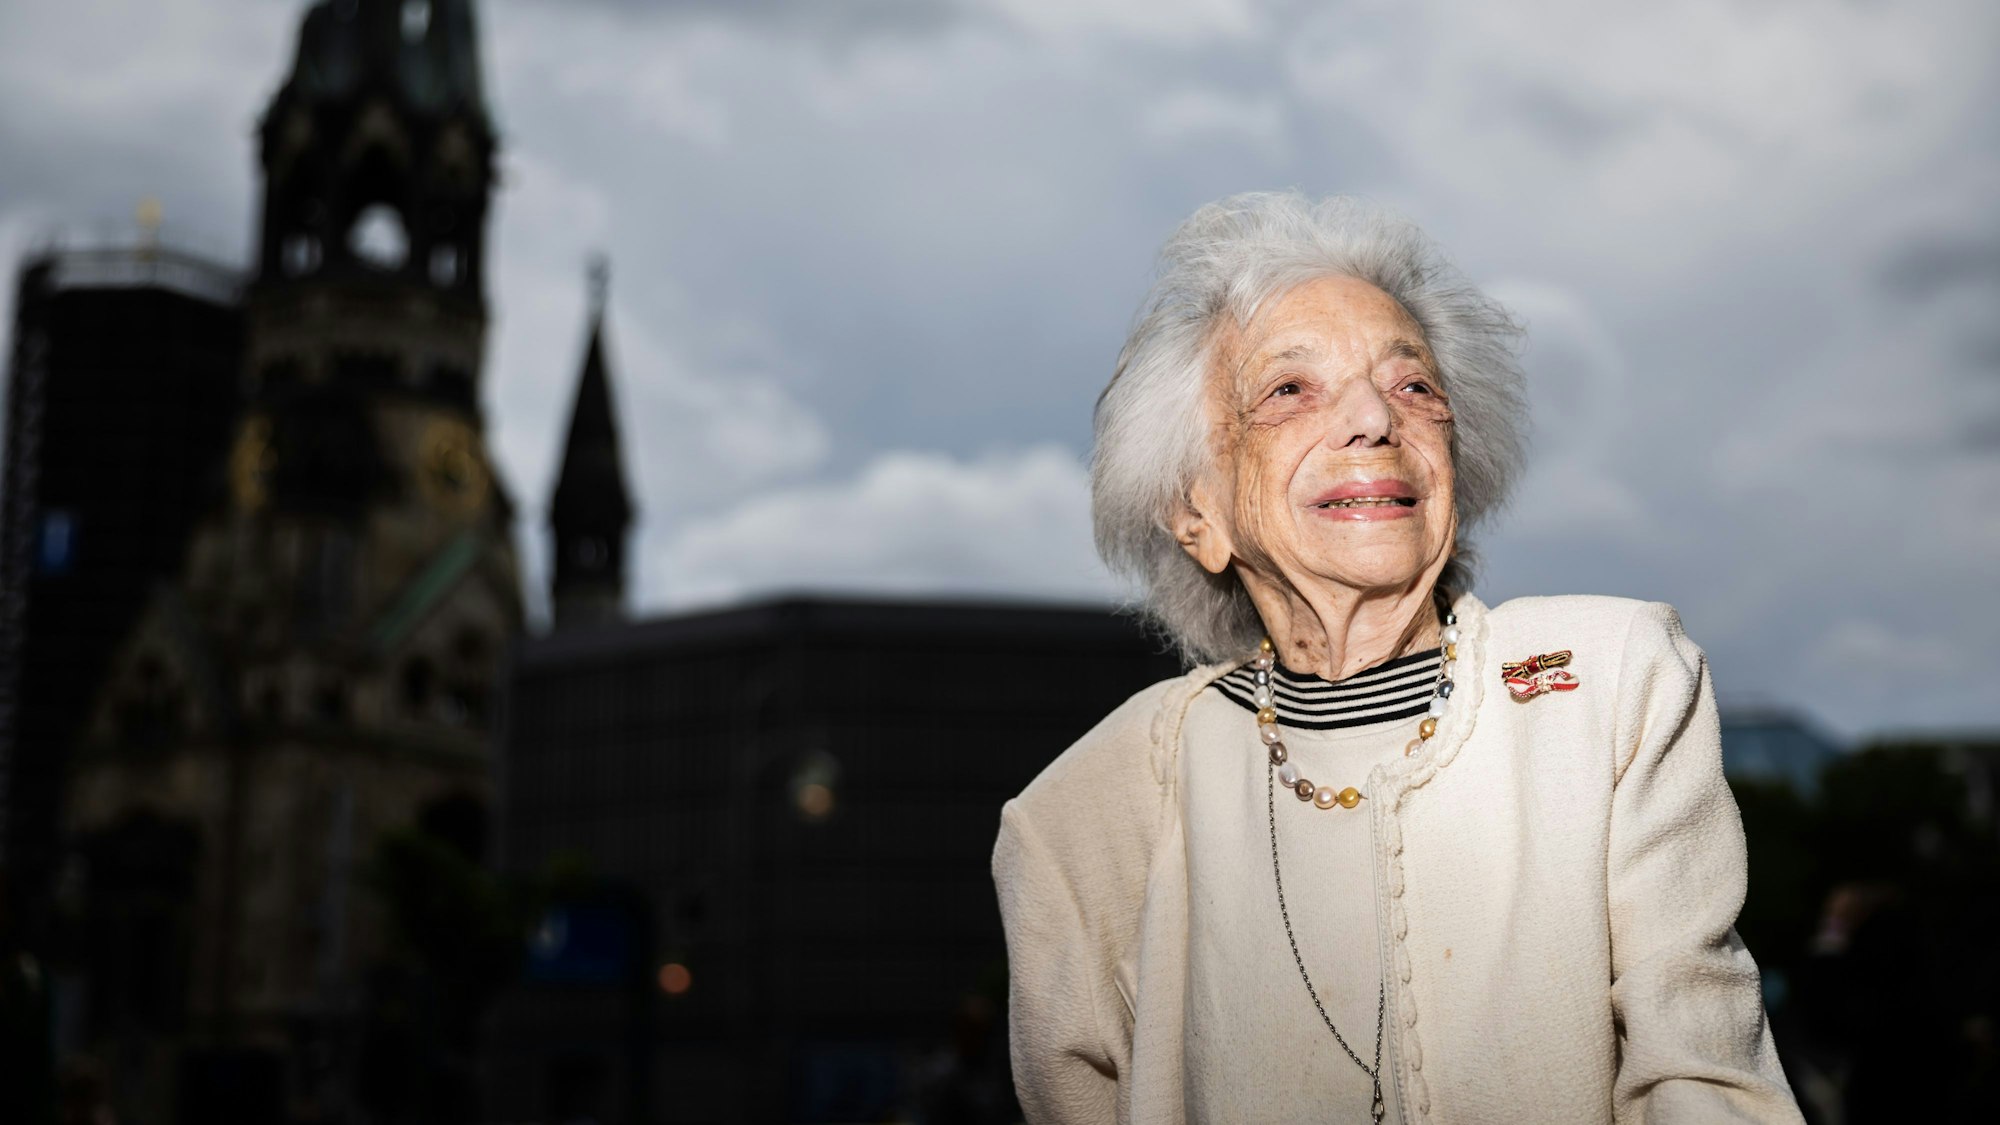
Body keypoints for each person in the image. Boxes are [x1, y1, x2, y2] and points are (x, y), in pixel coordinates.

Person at [992, 192, 1804, 1123]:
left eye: (1414, 385)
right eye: (1289, 391)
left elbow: (1705, 1077)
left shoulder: (1608, 682)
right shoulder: (1085, 815)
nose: (1377, 417)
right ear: (1196, 514)